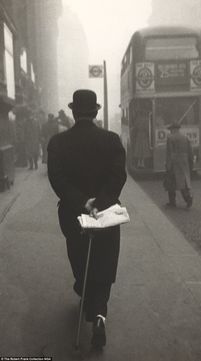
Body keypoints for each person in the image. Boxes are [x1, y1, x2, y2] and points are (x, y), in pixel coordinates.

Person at [47, 89, 127, 349]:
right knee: (104, 263)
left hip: (73, 214)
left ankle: (84, 291)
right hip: (106, 216)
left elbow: (57, 178)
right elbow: (118, 177)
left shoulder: (57, 143)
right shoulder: (112, 140)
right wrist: (100, 203)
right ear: (95, 112)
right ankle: (99, 314)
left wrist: (83, 202)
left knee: (80, 259)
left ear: (73, 111)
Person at [164, 121, 193, 208]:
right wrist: (190, 163)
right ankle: (188, 199)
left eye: (171, 129)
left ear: (173, 129)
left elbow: (169, 153)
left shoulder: (170, 138)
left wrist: (167, 165)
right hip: (183, 163)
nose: (170, 131)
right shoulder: (185, 137)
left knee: (170, 182)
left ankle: (172, 202)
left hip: (174, 163)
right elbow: (190, 152)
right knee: (183, 182)